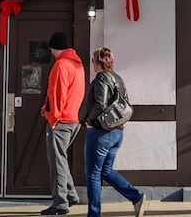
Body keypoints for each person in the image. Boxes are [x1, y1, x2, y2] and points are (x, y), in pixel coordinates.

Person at [79, 47, 149, 217]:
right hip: (117, 132)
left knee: (93, 174)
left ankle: (94, 215)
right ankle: (136, 198)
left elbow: (100, 104)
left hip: (100, 132)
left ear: (98, 61)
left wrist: (89, 121)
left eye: (93, 60)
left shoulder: (102, 77)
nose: (93, 64)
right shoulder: (118, 78)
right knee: (106, 171)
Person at [41, 32, 85, 216]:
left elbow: (58, 95)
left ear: (53, 47)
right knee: (61, 158)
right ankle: (72, 195)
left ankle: (60, 202)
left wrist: (52, 116)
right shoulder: (77, 64)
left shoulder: (61, 65)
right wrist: (49, 107)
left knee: (57, 162)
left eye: (50, 48)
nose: (50, 52)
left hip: (61, 120)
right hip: (73, 118)